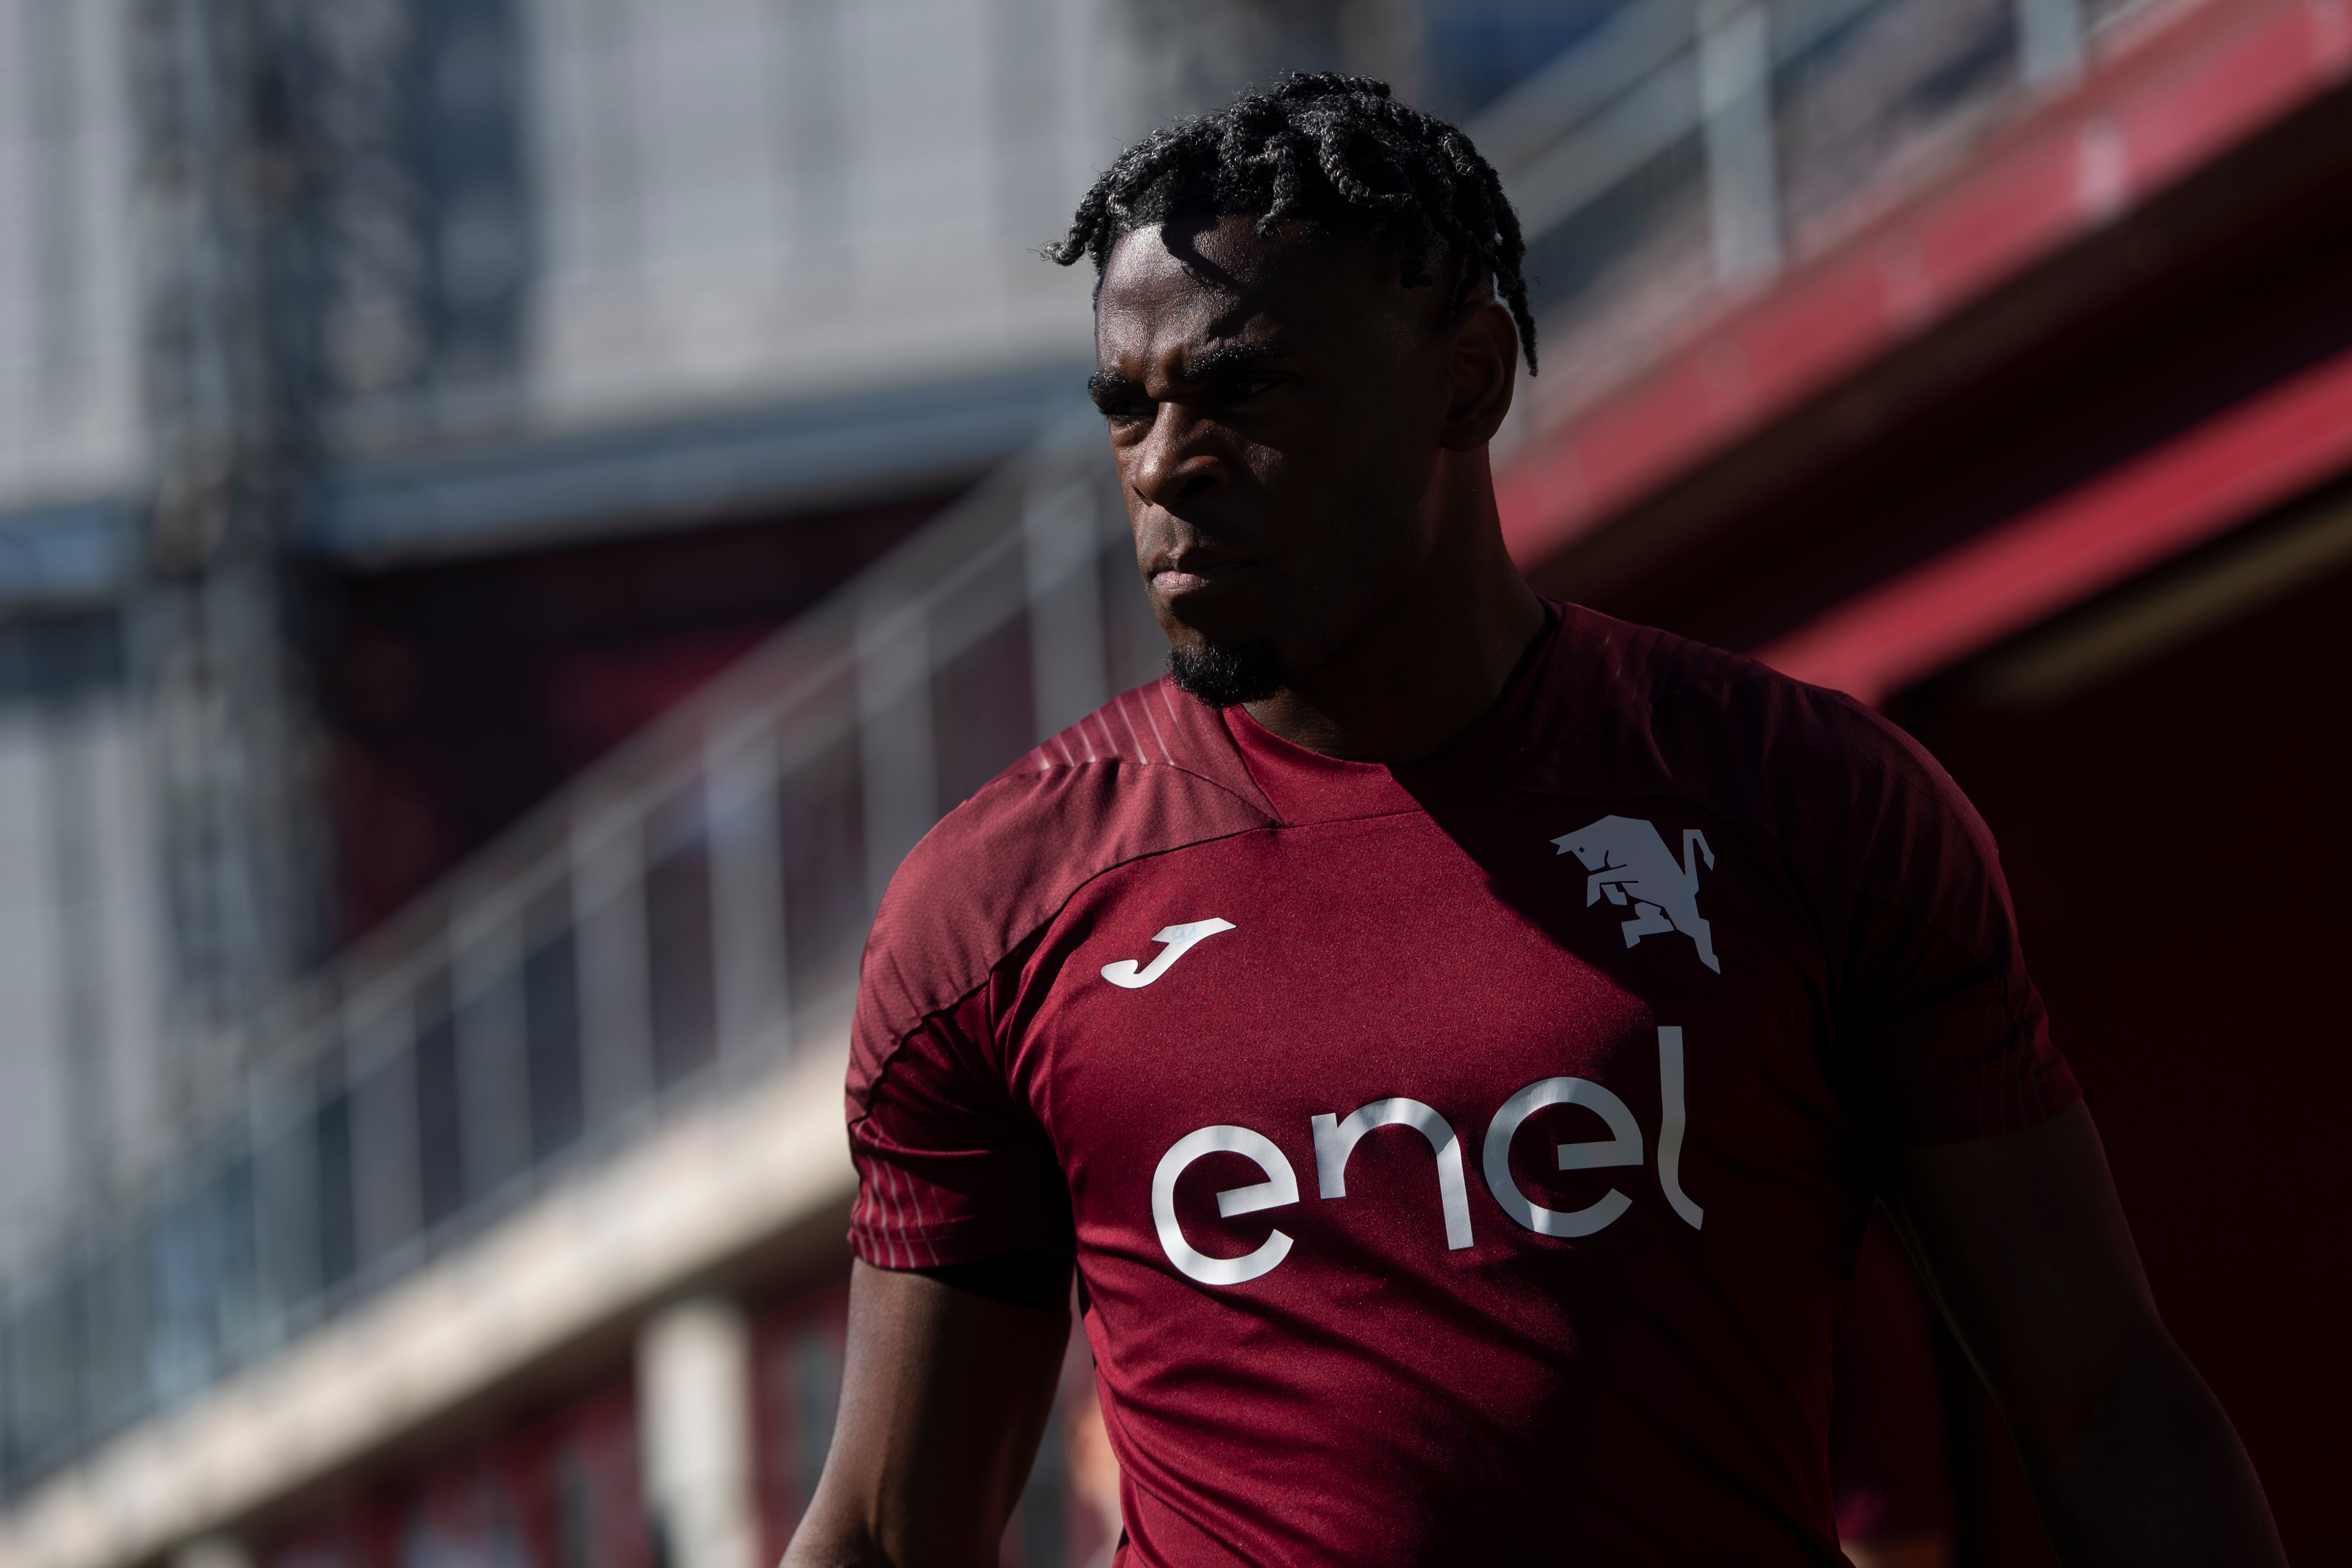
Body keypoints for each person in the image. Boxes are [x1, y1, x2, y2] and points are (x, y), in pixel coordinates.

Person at [784, 74, 2283, 1567]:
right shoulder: (993, 910)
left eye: (1245, 389)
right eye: (1130, 406)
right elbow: (886, 1528)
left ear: (1470, 378)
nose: (1166, 466)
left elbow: (2105, 1409)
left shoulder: (1808, 804)